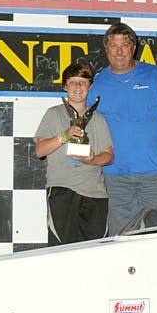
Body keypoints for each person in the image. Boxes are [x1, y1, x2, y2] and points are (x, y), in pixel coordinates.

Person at [89, 23, 157, 235]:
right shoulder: (96, 84)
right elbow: (85, 128)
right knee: (121, 242)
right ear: (106, 49)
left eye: (124, 45)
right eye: (113, 45)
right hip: (114, 177)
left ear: (133, 48)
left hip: (155, 175)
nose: (119, 51)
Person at [34, 61, 114, 244]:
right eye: (72, 82)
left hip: (95, 193)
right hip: (62, 190)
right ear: (65, 86)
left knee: (94, 251)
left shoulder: (98, 119)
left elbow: (108, 156)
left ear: (90, 86)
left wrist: (92, 160)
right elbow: (40, 151)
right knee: (62, 251)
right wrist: (65, 135)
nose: (78, 86)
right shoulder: (53, 114)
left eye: (83, 82)